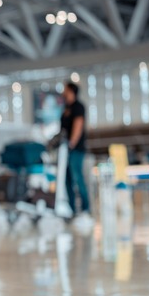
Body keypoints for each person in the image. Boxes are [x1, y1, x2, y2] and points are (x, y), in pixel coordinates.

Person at [61, 82, 90, 216]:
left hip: (76, 150)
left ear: (71, 91)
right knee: (67, 180)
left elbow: (78, 126)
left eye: (65, 89)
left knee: (77, 178)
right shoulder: (66, 108)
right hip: (65, 151)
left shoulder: (78, 107)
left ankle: (85, 209)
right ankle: (72, 210)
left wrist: (71, 144)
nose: (63, 92)